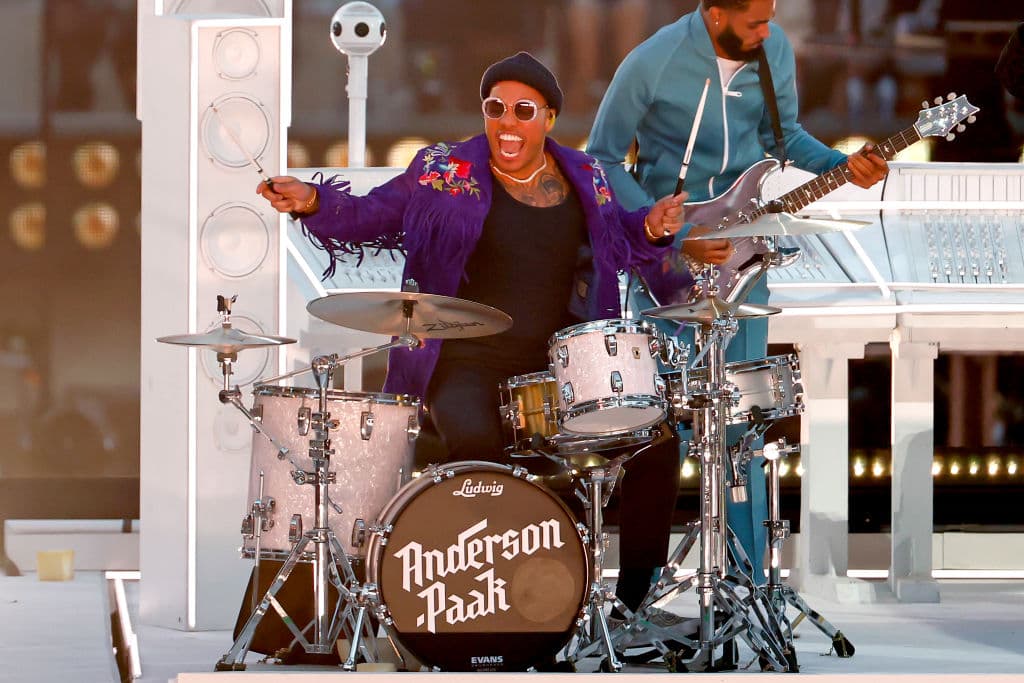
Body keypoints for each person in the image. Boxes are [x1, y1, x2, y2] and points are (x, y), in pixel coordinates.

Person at [259, 52, 688, 632]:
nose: (507, 122)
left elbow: (619, 243)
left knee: (654, 447)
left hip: (553, 372)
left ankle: (632, 607)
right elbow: (369, 215)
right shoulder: (443, 170)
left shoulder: (587, 177)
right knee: (478, 443)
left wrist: (654, 230)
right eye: (495, 108)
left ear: (549, 118)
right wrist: (313, 201)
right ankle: (491, 610)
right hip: (463, 364)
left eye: (523, 110)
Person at [587, 0, 889, 584]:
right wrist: (662, 229)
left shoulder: (772, 51)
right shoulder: (652, 61)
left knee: (741, 423)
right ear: (716, 13)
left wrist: (840, 165)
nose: (768, 31)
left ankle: (745, 587)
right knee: (658, 426)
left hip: (746, 260)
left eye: (771, 16)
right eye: (755, 20)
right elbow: (601, 159)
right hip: (668, 264)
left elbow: (786, 137)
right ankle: (637, 595)